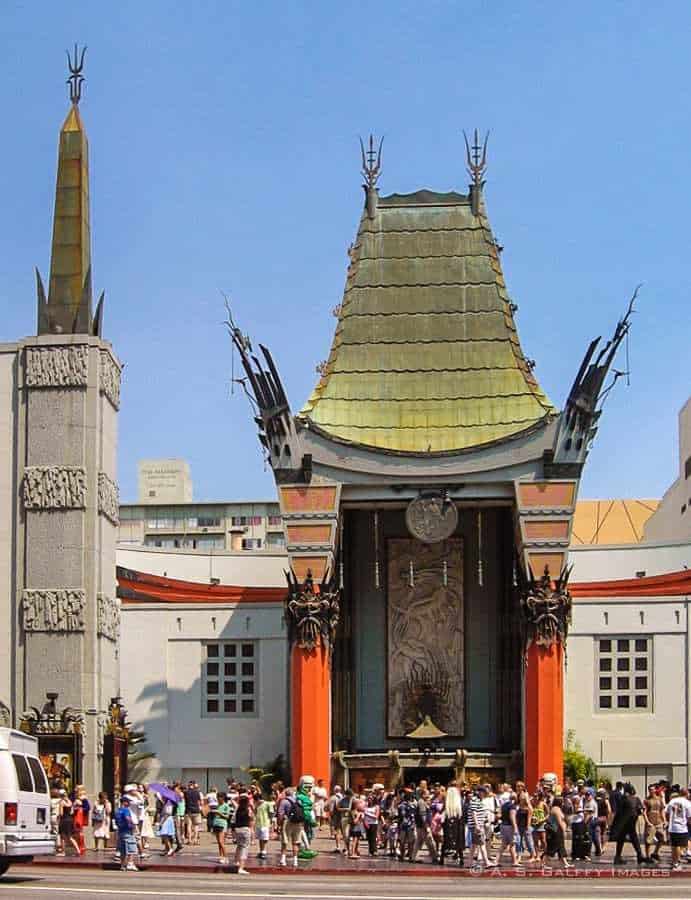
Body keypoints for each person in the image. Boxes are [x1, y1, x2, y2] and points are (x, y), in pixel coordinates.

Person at [467, 785, 495, 868]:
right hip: (477, 826)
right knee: (482, 844)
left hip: (478, 825)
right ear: (480, 792)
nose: (485, 794)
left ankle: (469, 862)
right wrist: (477, 825)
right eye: (484, 792)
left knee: (474, 845)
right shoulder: (475, 800)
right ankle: (487, 862)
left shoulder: (478, 800)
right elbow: (474, 812)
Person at [665, 787, 691, 871]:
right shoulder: (687, 803)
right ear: (686, 794)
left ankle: (675, 862)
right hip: (681, 827)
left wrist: (669, 821)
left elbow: (666, 813)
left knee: (674, 846)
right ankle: (676, 863)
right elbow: (689, 816)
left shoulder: (672, 801)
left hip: (672, 827)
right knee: (681, 846)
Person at [440, 782, 464, 866]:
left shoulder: (447, 799)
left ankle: (442, 859)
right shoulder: (458, 800)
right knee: (458, 840)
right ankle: (461, 858)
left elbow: (443, 811)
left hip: (448, 820)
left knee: (446, 841)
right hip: (457, 820)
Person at [543, 798, 572, 869]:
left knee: (561, 847)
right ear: (559, 802)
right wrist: (564, 831)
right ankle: (543, 864)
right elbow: (560, 822)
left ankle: (565, 863)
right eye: (561, 802)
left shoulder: (556, 808)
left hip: (557, 830)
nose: (563, 803)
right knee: (552, 848)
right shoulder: (556, 809)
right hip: (555, 831)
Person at [115, 796, 139, 872]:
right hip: (127, 831)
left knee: (123, 850)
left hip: (120, 831)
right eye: (128, 802)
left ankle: (122, 865)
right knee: (131, 847)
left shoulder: (118, 810)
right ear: (124, 802)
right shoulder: (126, 810)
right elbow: (127, 818)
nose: (129, 803)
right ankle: (130, 864)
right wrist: (132, 825)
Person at [644, 783, 666, 862]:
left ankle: (655, 853)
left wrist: (664, 820)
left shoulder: (659, 799)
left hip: (659, 822)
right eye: (650, 790)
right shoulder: (646, 800)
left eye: (652, 789)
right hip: (651, 822)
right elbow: (644, 812)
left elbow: (662, 810)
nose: (651, 791)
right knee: (649, 840)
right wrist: (647, 822)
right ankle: (647, 856)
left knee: (662, 838)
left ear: (655, 790)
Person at [211, 791, 232, 864]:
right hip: (216, 823)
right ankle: (221, 856)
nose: (218, 799)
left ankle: (226, 857)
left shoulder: (226, 806)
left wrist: (219, 813)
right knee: (219, 843)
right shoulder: (218, 805)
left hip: (222, 824)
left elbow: (227, 816)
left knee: (221, 841)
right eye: (217, 797)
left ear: (223, 798)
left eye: (219, 797)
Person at [184, 780, 203, 846]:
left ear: (188, 785)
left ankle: (189, 840)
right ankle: (195, 840)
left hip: (188, 810)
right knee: (196, 826)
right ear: (194, 785)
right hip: (196, 810)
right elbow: (200, 802)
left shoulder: (186, 792)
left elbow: (184, 800)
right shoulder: (197, 792)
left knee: (189, 825)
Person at [254, 793, 273, 859]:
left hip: (265, 823)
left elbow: (271, 813)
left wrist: (271, 821)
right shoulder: (257, 805)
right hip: (258, 823)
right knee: (260, 838)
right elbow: (255, 812)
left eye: (256, 800)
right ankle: (261, 851)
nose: (255, 801)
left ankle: (264, 851)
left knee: (265, 838)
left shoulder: (267, 804)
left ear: (259, 799)